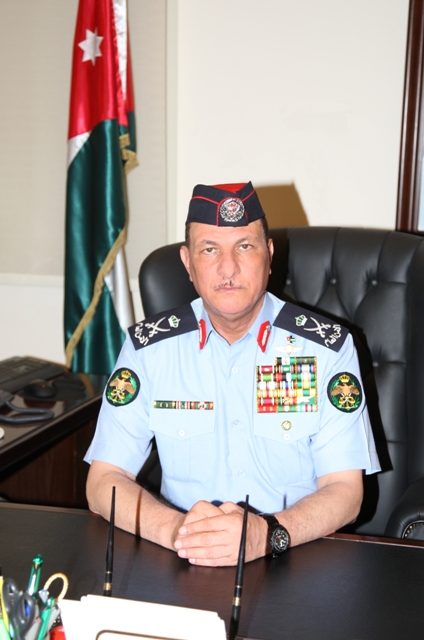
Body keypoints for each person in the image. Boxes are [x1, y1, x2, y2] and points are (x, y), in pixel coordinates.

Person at [85, 181, 380, 567]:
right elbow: (103, 481)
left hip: (292, 553)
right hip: (182, 555)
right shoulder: (148, 349)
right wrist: (178, 532)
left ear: (268, 255)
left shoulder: (327, 348)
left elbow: (346, 491)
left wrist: (267, 534)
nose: (228, 268)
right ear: (188, 263)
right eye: (210, 249)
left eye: (244, 246)